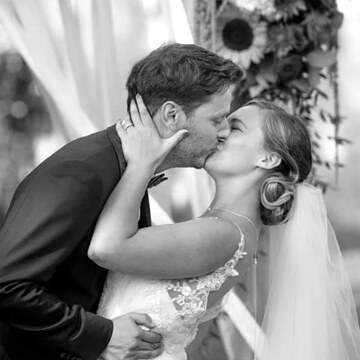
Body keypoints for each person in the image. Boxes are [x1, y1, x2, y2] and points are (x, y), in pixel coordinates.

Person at [0, 43, 242, 360]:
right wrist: (102, 335)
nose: (225, 133)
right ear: (172, 115)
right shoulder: (81, 173)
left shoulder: (126, 169)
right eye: (218, 120)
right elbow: (8, 286)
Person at [89, 97, 360, 360]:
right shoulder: (222, 226)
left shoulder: (226, 234)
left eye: (235, 127)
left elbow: (106, 248)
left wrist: (140, 164)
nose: (219, 133)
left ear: (267, 159)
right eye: (220, 122)